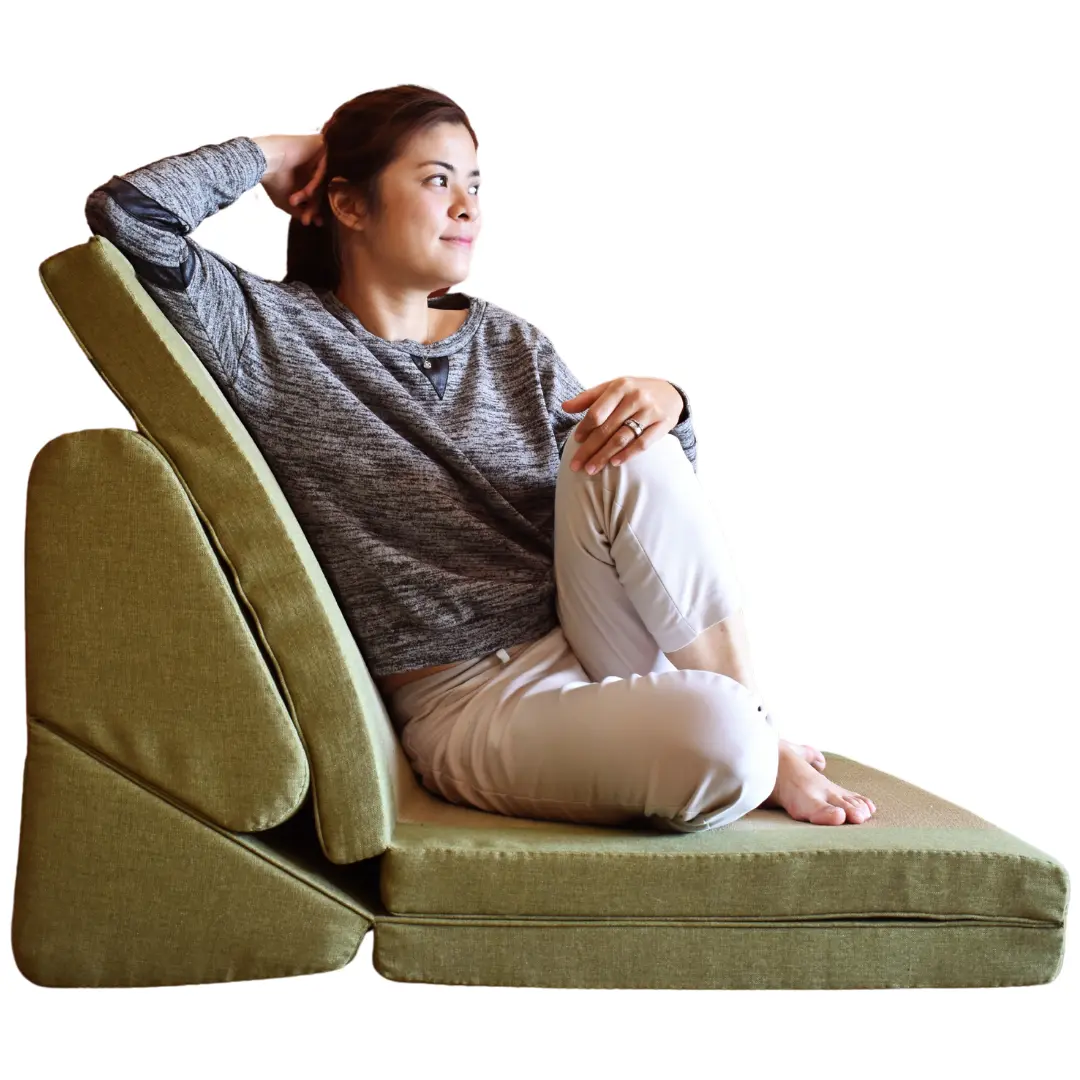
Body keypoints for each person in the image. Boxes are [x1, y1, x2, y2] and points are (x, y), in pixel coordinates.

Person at [84, 83, 876, 830]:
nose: (467, 206)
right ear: (349, 204)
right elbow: (129, 216)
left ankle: (765, 730)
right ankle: (748, 738)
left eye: (474, 183)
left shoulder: (509, 343)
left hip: (587, 628)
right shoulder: (268, 333)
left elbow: (652, 514)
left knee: (630, 439)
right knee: (722, 741)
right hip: (470, 699)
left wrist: (670, 405)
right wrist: (286, 152)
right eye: (437, 181)